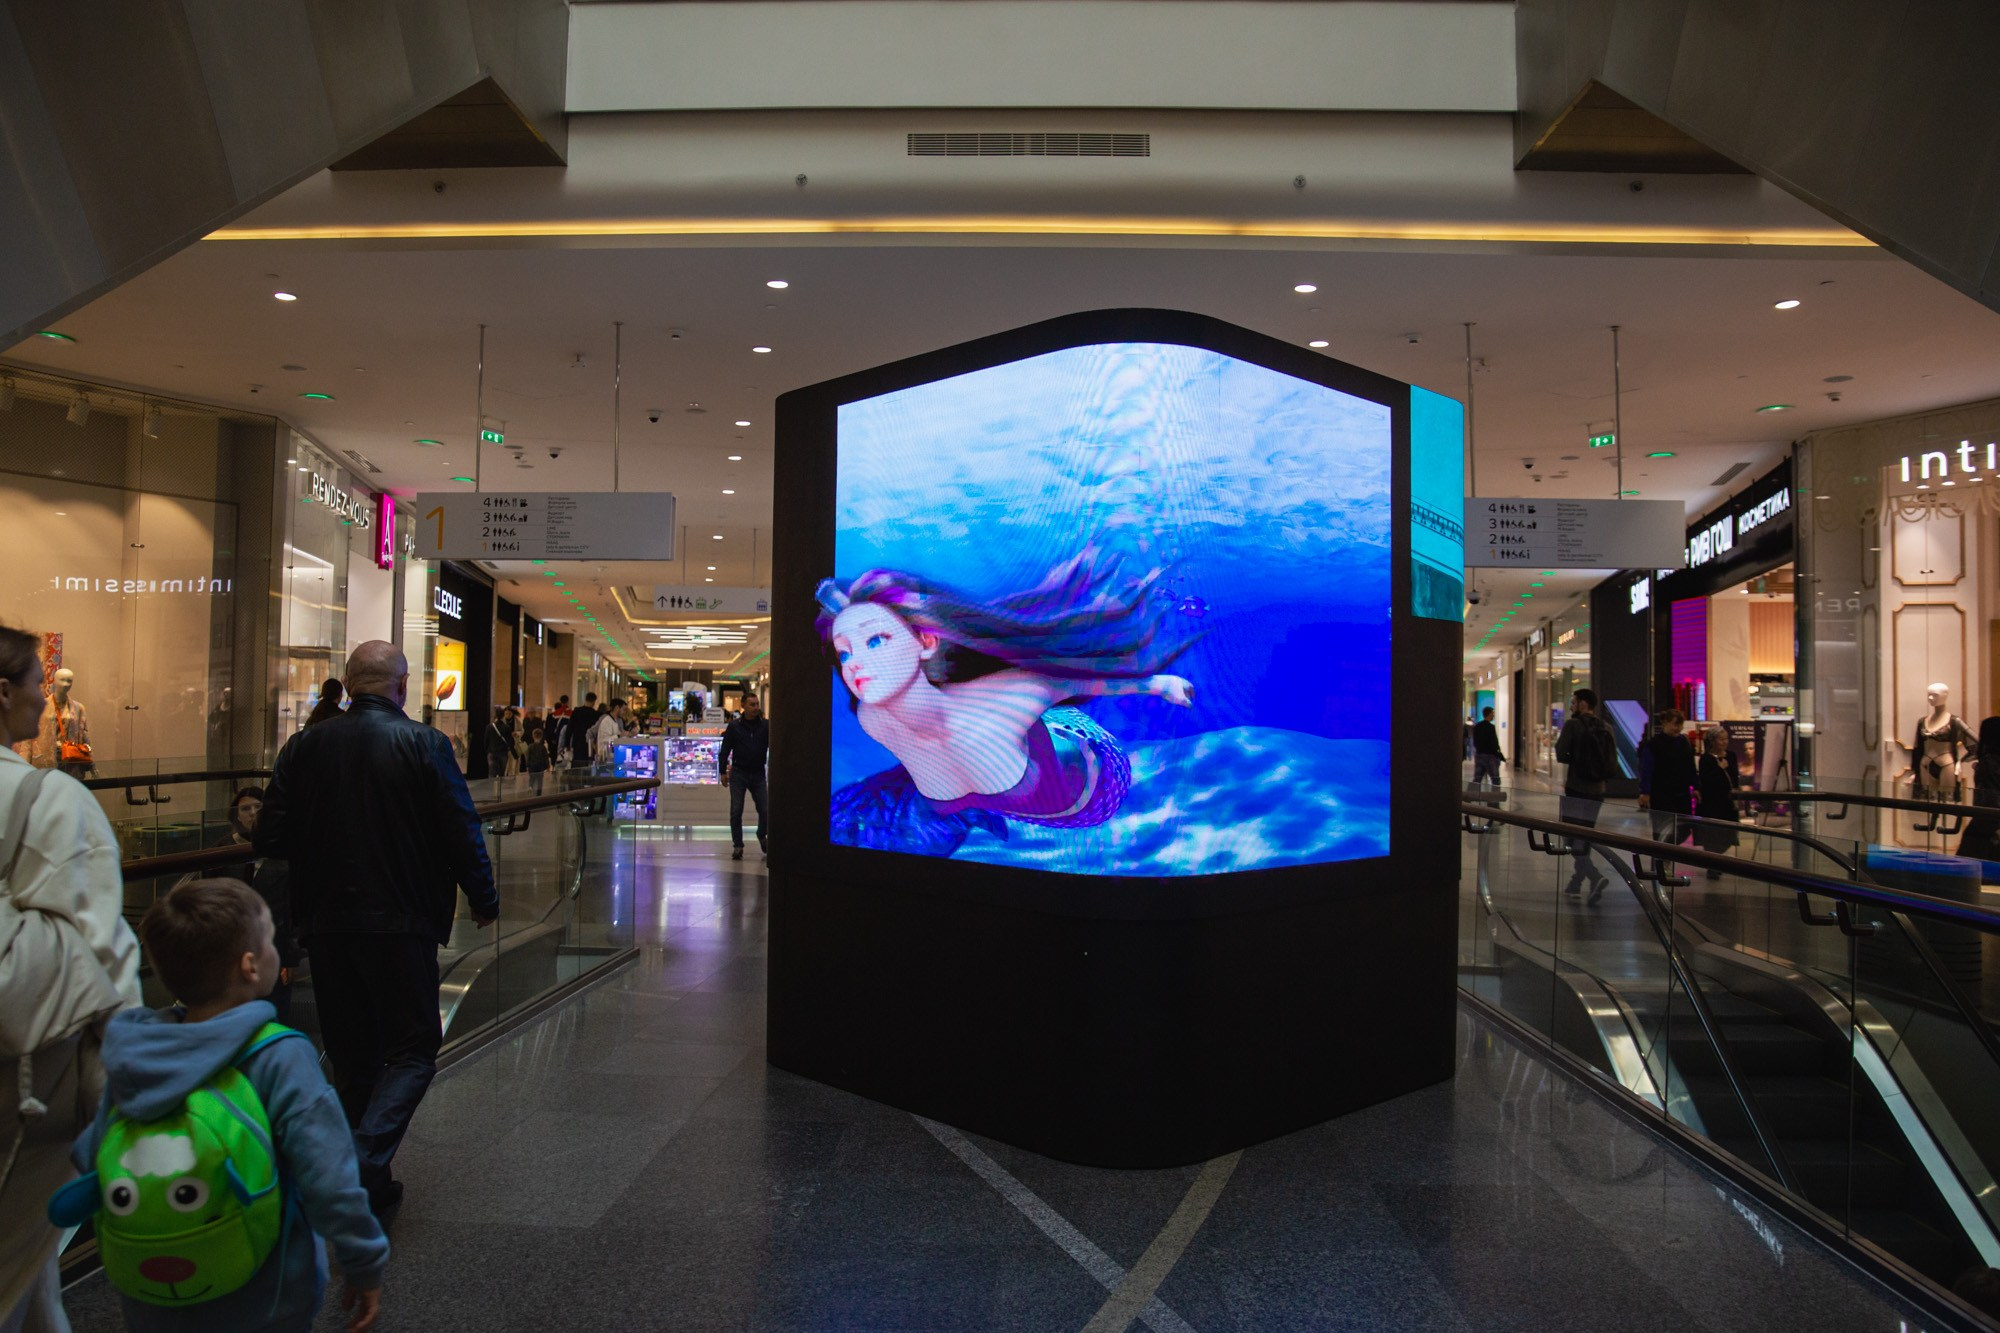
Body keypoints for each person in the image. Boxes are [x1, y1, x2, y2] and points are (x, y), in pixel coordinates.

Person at [66, 879, 387, 1332]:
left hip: (150, 1297)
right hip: (267, 1298)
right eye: (272, 938)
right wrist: (364, 1258)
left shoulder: (138, 1054)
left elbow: (93, 1155)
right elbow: (329, 1178)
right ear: (251, 965)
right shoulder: (279, 1055)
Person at [253, 641, 497, 1217]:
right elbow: (461, 831)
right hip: (403, 919)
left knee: (352, 1050)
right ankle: (360, 1164)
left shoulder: (304, 747)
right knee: (413, 1050)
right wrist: (483, 897)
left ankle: (371, 1178)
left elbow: (268, 837)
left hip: (326, 923)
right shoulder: (425, 744)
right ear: (402, 686)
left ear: (347, 682)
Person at [815, 552, 1195, 839]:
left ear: (926, 642)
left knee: (1044, 714)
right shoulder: (873, 719)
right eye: (845, 651)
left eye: (875, 641)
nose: (854, 665)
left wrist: (1158, 685)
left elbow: (1083, 682)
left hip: (1095, 778)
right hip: (999, 764)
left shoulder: (1007, 699)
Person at [0, 625, 142, 1333]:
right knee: (19, 1252)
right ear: (5, 692)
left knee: (35, 1280)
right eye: (36, 680)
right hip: (30, 1086)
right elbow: (102, 954)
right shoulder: (49, 801)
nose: (44, 693)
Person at [219, 786, 302, 1024]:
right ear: (236, 814)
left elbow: (293, 907)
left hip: (273, 946)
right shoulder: (222, 850)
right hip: (231, 947)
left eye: (258, 808)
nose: (252, 813)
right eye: (245, 808)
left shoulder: (283, 850)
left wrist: (292, 957)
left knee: (273, 1011)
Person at [1554, 687, 1618, 905]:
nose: (1572, 706)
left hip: (1576, 787)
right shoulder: (1607, 727)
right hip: (1598, 790)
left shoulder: (1573, 725)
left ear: (1582, 704)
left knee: (1571, 837)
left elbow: (1562, 755)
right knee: (1585, 836)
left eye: (1573, 702)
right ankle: (1576, 882)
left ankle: (1594, 876)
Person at [718, 693, 771, 861]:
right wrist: (722, 771)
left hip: (758, 773)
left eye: (757, 704)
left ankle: (762, 834)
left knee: (765, 809)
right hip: (739, 773)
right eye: (752, 705)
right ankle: (738, 845)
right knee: (736, 810)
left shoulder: (766, 726)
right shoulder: (734, 727)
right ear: (743, 706)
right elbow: (725, 750)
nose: (756, 708)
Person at [1637, 707, 1698, 851]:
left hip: (1681, 793)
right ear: (1665, 723)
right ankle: (1660, 857)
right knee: (1661, 828)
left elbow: (1690, 766)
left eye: (1680, 724)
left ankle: (1667, 851)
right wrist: (1645, 791)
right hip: (1661, 793)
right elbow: (1647, 769)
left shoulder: (1684, 742)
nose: (1678, 728)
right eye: (1675, 724)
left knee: (1684, 828)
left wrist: (1696, 786)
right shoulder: (1653, 744)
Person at [1694, 726, 1743, 878]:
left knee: (1728, 835)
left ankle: (1716, 861)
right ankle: (1713, 865)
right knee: (1712, 835)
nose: (1724, 742)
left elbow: (1734, 777)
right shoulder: (1706, 759)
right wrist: (1719, 769)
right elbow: (1706, 780)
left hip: (1727, 803)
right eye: (1721, 739)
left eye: (1726, 739)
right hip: (1712, 803)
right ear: (1712, 741)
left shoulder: (1731, 756)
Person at [1471, 706, 1504, 788]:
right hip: (1490, 757)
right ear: (1489, 714)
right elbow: (1494, 742)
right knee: (1495, 779)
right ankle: (1495, 798)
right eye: (1493, 713)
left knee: (1477, 778)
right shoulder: (1491, 727)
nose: (1493, 715)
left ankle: (1470, 796)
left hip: (1480, 755)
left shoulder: (1477, 726)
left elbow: (1475, 741)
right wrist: (1498, 754)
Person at [567, 692, 600, 769]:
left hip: (577, 742)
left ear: (585, 699)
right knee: (588, 765)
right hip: (589, 744)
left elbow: (570, 728)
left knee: (577, 765)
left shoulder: (576, 711)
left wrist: (567, 743)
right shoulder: (595, 714)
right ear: (594, 701)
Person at [523, 724, 550, 796]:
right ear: (541, 737)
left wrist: (527, 765)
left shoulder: (530, 746)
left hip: (532, 765)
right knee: (540, 780)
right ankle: (539, 793)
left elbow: (528, 756)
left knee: (532, 778)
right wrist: (547, 766)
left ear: (533, 736)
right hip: (541, 766)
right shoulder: (543, 747)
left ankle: (530, 787)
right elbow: (546, 757)